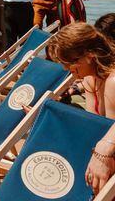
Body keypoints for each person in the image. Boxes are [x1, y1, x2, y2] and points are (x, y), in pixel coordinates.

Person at [47, 19, 115, 196]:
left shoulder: (112, 82)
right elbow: (93, 126)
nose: (66, 68)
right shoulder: (90, 80)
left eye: (69, 62)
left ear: (90, 55)